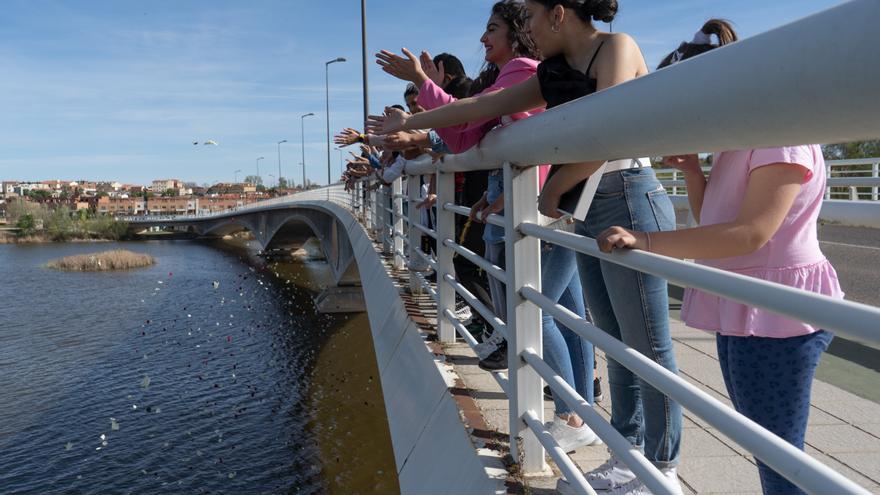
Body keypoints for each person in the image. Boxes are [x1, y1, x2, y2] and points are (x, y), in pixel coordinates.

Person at [368, 1, 683, 493]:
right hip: (589, 201)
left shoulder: (615, 48)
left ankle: (662, 468)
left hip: (627, 196)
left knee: (648, 345)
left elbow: (609, 129)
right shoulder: (557, 70)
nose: (527, 29)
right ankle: (629, 452)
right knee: (615, 341)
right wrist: (417, 113)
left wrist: (555, 188)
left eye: (531, 16)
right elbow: (478, 107)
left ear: (559, 14)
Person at [598, 19, 842, 495]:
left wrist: (646, 241)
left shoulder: (780, 135)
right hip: (749, 300)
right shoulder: (743, 137)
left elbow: (750, 234)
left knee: (778, 455)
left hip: (778, 307)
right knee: (764, 445)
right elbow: (717, 215)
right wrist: (692, 170)